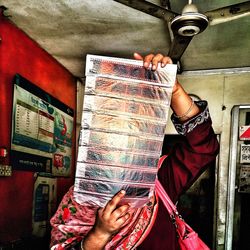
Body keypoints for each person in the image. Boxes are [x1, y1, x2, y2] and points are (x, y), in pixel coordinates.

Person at [50, 53, 219, 250]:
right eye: (110, 124)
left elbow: (203, 148)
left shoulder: (158, 181)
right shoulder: (79, 198)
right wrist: (101, 232)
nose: (121, 136)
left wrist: (174, 92)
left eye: (132, 124)